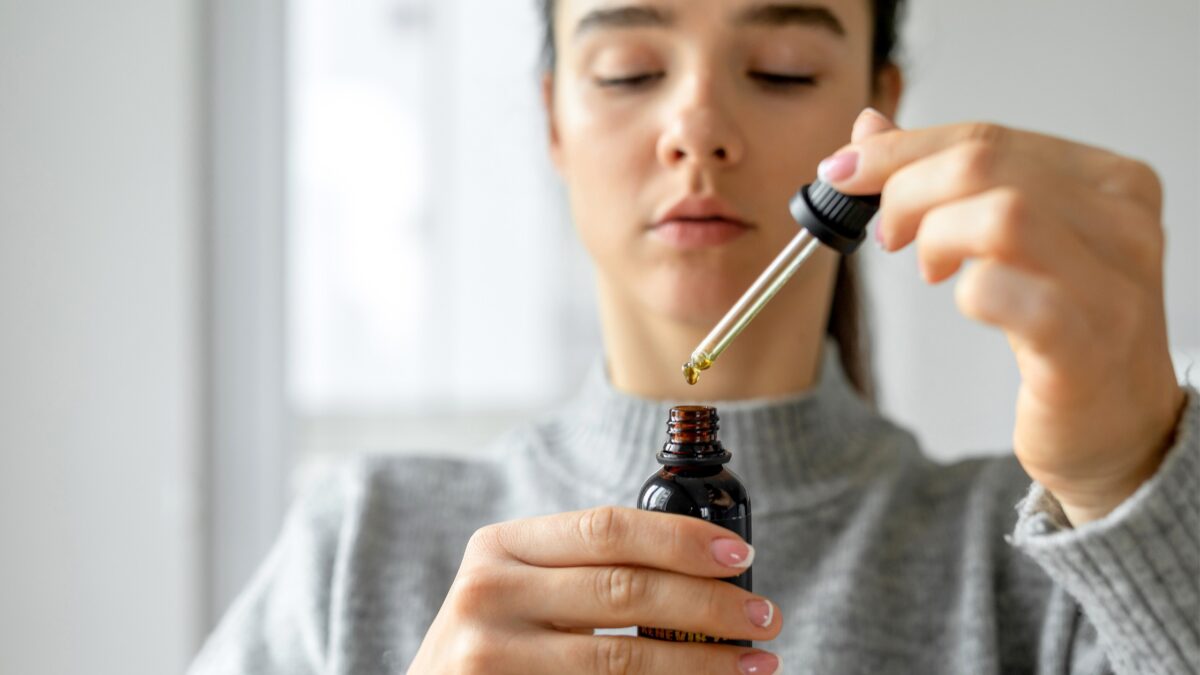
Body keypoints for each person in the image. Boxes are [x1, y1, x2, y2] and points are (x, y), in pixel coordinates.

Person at [189, 1, 1199, 673]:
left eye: (782, 68)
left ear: (880, 111)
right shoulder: (358, 550)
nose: (699, 125)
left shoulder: (1053, 565)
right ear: (552, 119)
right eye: (629, 71)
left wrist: (1135, 480)